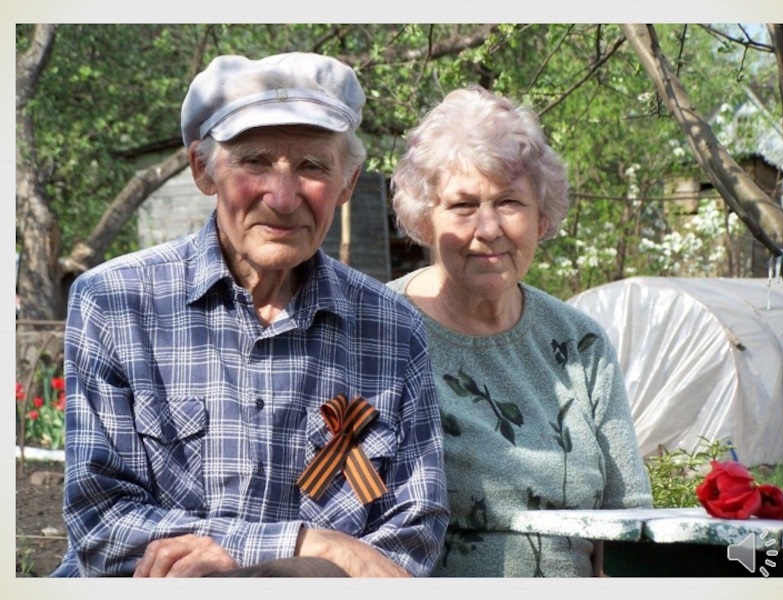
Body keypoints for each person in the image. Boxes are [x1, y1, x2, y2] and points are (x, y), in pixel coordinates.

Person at [52, 52, 448, 578]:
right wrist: (310, 545)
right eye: (255, 162)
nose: (282, 198)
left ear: (348, 183)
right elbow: (101, 523)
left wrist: (263, 568)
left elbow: (413, 532)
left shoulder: (393, 328)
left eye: (312, 166)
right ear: (203, 170)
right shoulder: (116, 302)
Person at [387, 86, 653, 577]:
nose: (489, 228)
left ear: (541, 217)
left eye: (510, 202)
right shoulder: (380, 330)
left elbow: (628, 518)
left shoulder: (581, 344)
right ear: (425, 219)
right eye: (463, 206)